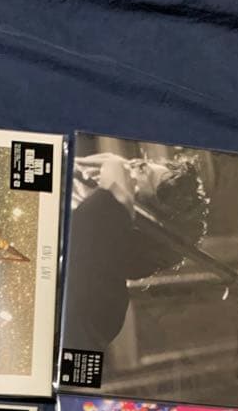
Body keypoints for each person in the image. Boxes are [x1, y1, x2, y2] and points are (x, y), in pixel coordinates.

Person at [64, 151, 208, 355]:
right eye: (138, 163)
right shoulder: (72, 183)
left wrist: (114, 199)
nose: (120, 166)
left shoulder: (104, 313)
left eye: (139, 171)